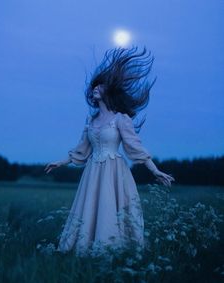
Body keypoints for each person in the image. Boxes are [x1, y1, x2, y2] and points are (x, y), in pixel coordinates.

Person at [44, 46, 175, 257]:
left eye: (100, 85)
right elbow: (81, 150)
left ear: (109, 91)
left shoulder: (121, 119)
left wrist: (155, 171)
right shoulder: (91, 121)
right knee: (91, 208)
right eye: (94, 85)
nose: (95, 87)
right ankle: (87, 249)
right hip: (92, 172)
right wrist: (59, 162)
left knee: (111, 210)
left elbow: (136, 148)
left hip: (114, 172)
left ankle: (111, 251)